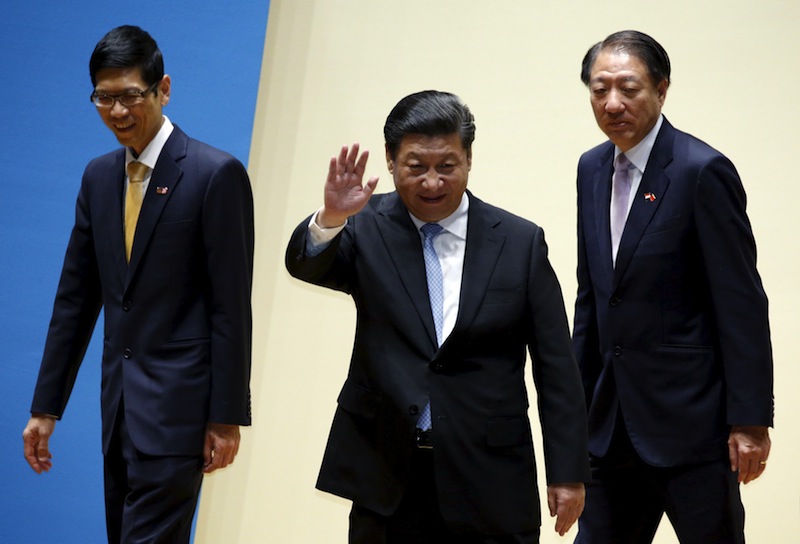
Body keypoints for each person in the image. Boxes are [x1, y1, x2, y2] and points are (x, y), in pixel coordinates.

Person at [285, 90, 590, 543]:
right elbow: (307, 264)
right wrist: (330, 217)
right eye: (415, 167)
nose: (432, 182)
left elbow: (557, 368)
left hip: (491, 477)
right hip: (388, 473)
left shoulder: (520, 242)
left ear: (468, 159)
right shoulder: (364, 225)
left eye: (447, 166)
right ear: (390, 160)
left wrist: (567, 472)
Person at [22, 25, 254, 543]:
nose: (118, 112)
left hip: (180, 417)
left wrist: (225, 416)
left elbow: (230, 307)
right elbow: (75, 300)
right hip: (119, 412)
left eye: (130, 95)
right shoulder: (97, 177)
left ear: (163, 88)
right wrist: (46, 408)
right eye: (104, 98)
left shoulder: (216, 174)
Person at [572, 30, 773, 543]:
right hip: (611, 427)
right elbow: (594, 298)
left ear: (661, 90)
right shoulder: (591, 168)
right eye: (600, 89)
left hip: (694, 430)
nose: (612, 102)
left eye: (628, 87)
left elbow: (741, 303)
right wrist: (573, 418)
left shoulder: (701, 170)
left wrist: (749, 421)